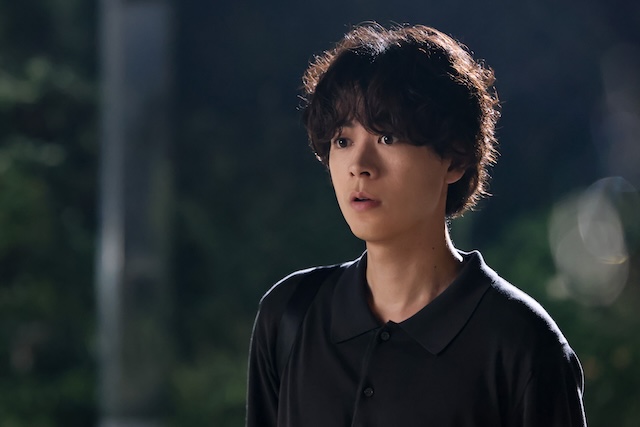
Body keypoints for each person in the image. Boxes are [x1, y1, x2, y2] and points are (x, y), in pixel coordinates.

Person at [246, 23, 587, 427]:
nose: (359, 166)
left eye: (387, 137)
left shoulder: (523, 345)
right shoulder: (290, 314)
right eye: (342, 140)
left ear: (455, 158)